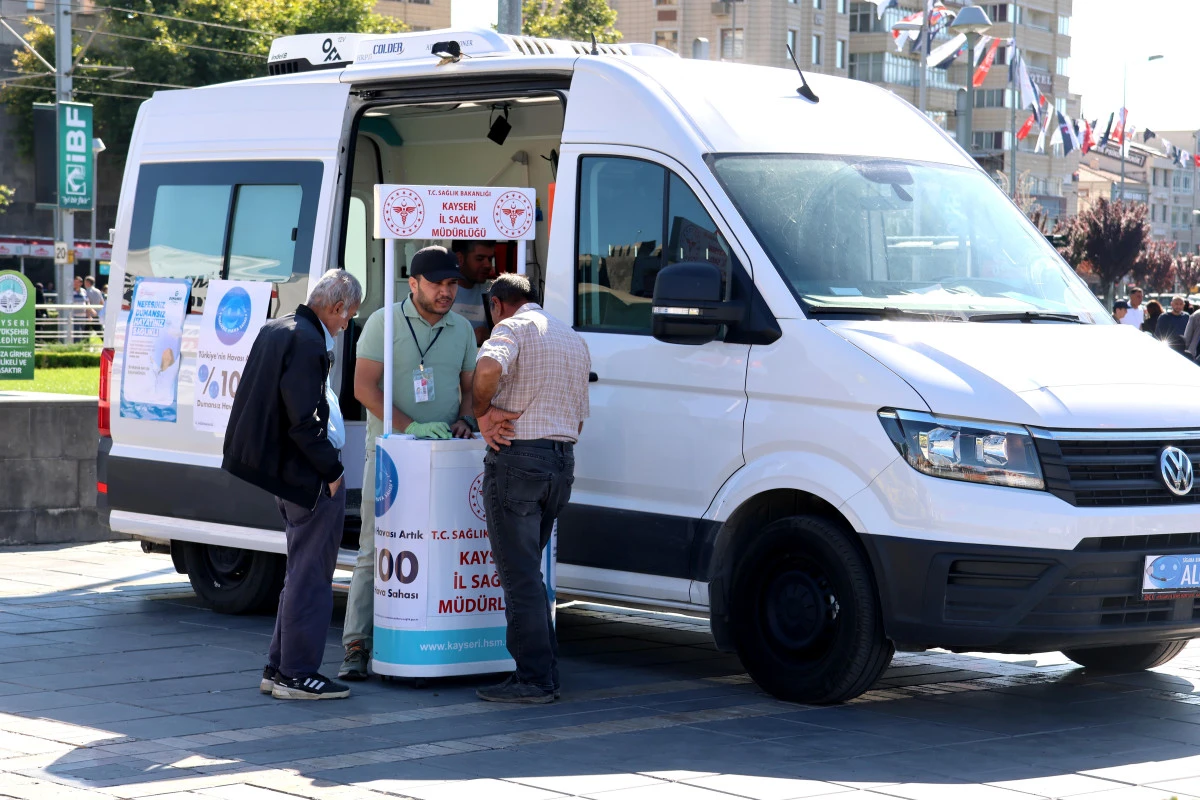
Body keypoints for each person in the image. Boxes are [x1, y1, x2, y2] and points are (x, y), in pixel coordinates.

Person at [339, 246, 478, 681]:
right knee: (374, 548)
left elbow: (470, 388)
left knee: (443, 545)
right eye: (437, 283)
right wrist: (410, 426)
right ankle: (356, 645)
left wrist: (465, 420)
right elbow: (363, 387)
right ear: (413, 283)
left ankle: (434, 639)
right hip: (392, 454)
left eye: (452, 283)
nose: (446, 291)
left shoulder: (463, 329)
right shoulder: (383, 322)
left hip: (447, 456)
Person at [223, 269, 362, 700]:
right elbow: (305, 420)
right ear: (336, 307)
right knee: (312, 576)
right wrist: (333, 472)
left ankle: (279, 667)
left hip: (285, 472)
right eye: (348, 317)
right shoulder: (307, 341)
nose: (346, 325)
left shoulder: (279, 327)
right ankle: (297, 673)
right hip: (309, 475)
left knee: (300, 571)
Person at [471, 273, 591, 704]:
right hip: (561, 463)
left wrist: (482, 411)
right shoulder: (572, 339)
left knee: (519, 577)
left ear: (497, 304)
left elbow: (487, 367)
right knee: (530, 575)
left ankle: (534, 679)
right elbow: (578, 419)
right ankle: (546, 672)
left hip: (519, 460)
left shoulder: (512, 327)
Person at [451, 240, 497, 345]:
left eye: (490, 259)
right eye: (480, 259)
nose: (487, 265)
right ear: (459, 259)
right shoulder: (441, 294)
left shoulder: (493, 292)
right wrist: (470, 338)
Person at [69, 276, 88, 343]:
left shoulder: (84, 291)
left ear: (81, 283)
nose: (75, 284)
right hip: (74, 315)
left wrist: (89, 314)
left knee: (81, 332)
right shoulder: (70, 292)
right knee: (77, 333)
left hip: (82, 316)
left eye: (77, 282)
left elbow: (87, 302)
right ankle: (76, 346)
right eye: (74, 282)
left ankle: (79, 346)